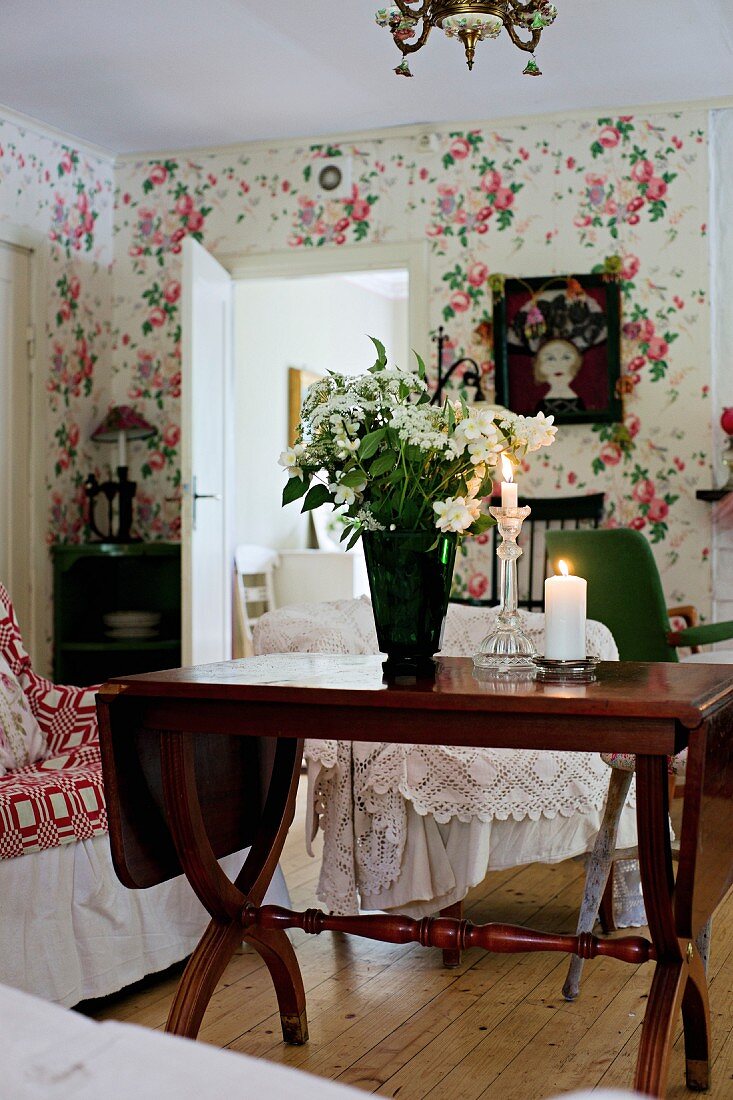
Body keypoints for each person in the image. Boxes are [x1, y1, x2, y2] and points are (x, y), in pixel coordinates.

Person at [532, 337, 586, 415]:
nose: (558, 365)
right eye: (550, 358)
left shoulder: (579, 401)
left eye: (566, 358)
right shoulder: (541, 405)